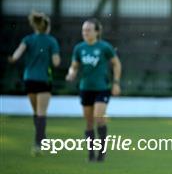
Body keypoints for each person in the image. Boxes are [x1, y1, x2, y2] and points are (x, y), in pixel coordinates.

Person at [65, 18, 122, 162]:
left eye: (89, 30)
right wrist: (71, 72)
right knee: (89, 122)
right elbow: (74, 65)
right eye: (84, 30)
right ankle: (91, 154)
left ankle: (101, 153)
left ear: (97, 32)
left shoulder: (104, 47)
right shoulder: (79, 48)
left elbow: (116, 64)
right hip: (85, 88)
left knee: (98, 117)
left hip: (102, 88)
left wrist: (116, 83)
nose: (85, 32)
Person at [8, 11, 61, 155]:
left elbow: (17, 54)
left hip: (29, 79)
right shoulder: (51, 41)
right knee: (41, 113)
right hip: (44, 79)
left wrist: (13, 58)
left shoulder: (28, 39)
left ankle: (41, 140)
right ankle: (39, 144)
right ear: (47, 26)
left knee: (36, 113)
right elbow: (56, 62)